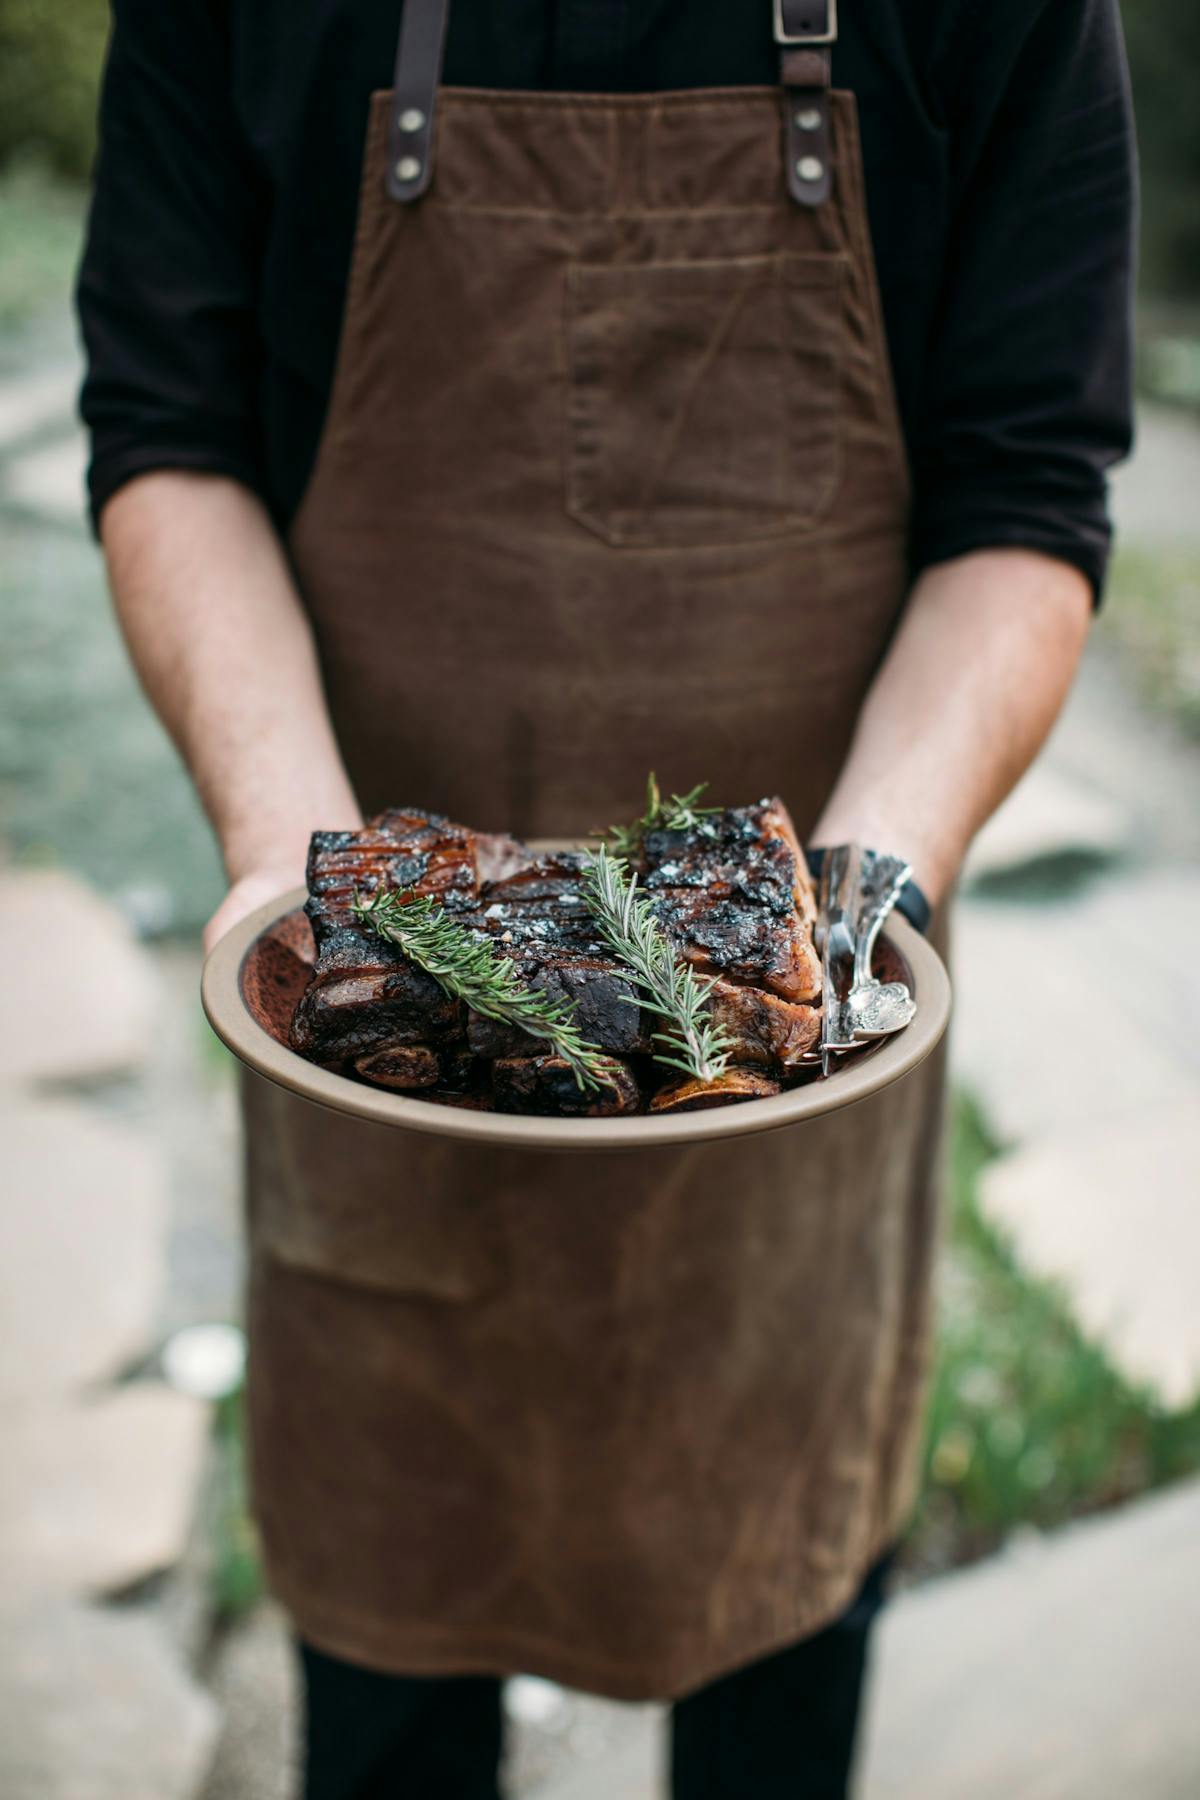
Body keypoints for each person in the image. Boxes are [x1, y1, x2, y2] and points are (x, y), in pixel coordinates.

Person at [76, 1, 1135, 1794]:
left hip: (785, 1115)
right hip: (379, 1073)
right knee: (394, 1711)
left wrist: (840, 910)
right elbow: (168, 429)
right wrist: (300, 866)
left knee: (778, 1683)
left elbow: (1028, 490)